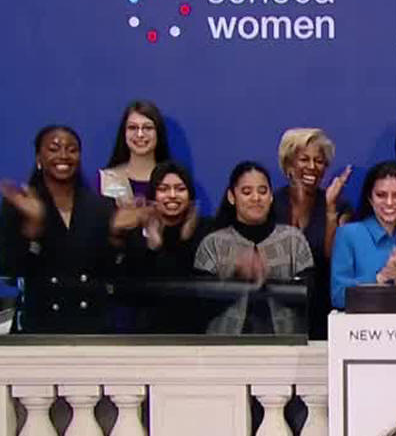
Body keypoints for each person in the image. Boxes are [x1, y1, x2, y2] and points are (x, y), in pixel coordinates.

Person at [0, 124, 127, 333]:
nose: (64, 155)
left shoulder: (102, 207)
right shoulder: (18, 205)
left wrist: (117, 236)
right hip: (39, 328)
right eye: (54, 149)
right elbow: (9, 273)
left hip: (93, 329)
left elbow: (114, 273)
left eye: (72, 149)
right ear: (39, 159)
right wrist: (33, 228)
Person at [195, 162, 314, 335]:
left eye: (262, 191)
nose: (256, 198)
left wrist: (268, 280)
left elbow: (310, 296)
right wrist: (237, 277)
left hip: (286, 344)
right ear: (231, 197)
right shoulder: (212, 244)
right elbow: (201, 305)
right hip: (225, 346)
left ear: (271, 196)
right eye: (246, 192)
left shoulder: (293, 240)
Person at [115, 162, 214, 332]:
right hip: (147, 333)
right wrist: (153, 246)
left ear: (190, 195)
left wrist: (186, 239)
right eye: (163, 189)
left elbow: (206, 290)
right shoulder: (137, 234)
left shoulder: (206, 231)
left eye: (180, 189)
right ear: (153, 196)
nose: (172, 195)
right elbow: (129, 293)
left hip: (195, 333)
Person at [273, 128, 353, 338]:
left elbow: (334, 259)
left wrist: (330, 210)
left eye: (319, 161)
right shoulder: (270, 205)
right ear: (289, 164)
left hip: (322, 312)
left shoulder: (339, 206)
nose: (312, 167)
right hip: (275, 312)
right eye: (304, 159)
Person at [331, 162, 396, 310]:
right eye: (381, 195)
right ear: (370, 198)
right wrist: (380, 277)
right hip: (360, 325)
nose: (389, 203)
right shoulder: (348, 235)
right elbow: (338, 297)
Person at [99, 100, 171, 205]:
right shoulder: (105, 181)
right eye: (133, 128)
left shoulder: (173, 180)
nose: (140, 134)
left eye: (148, 128)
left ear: (158, 133)